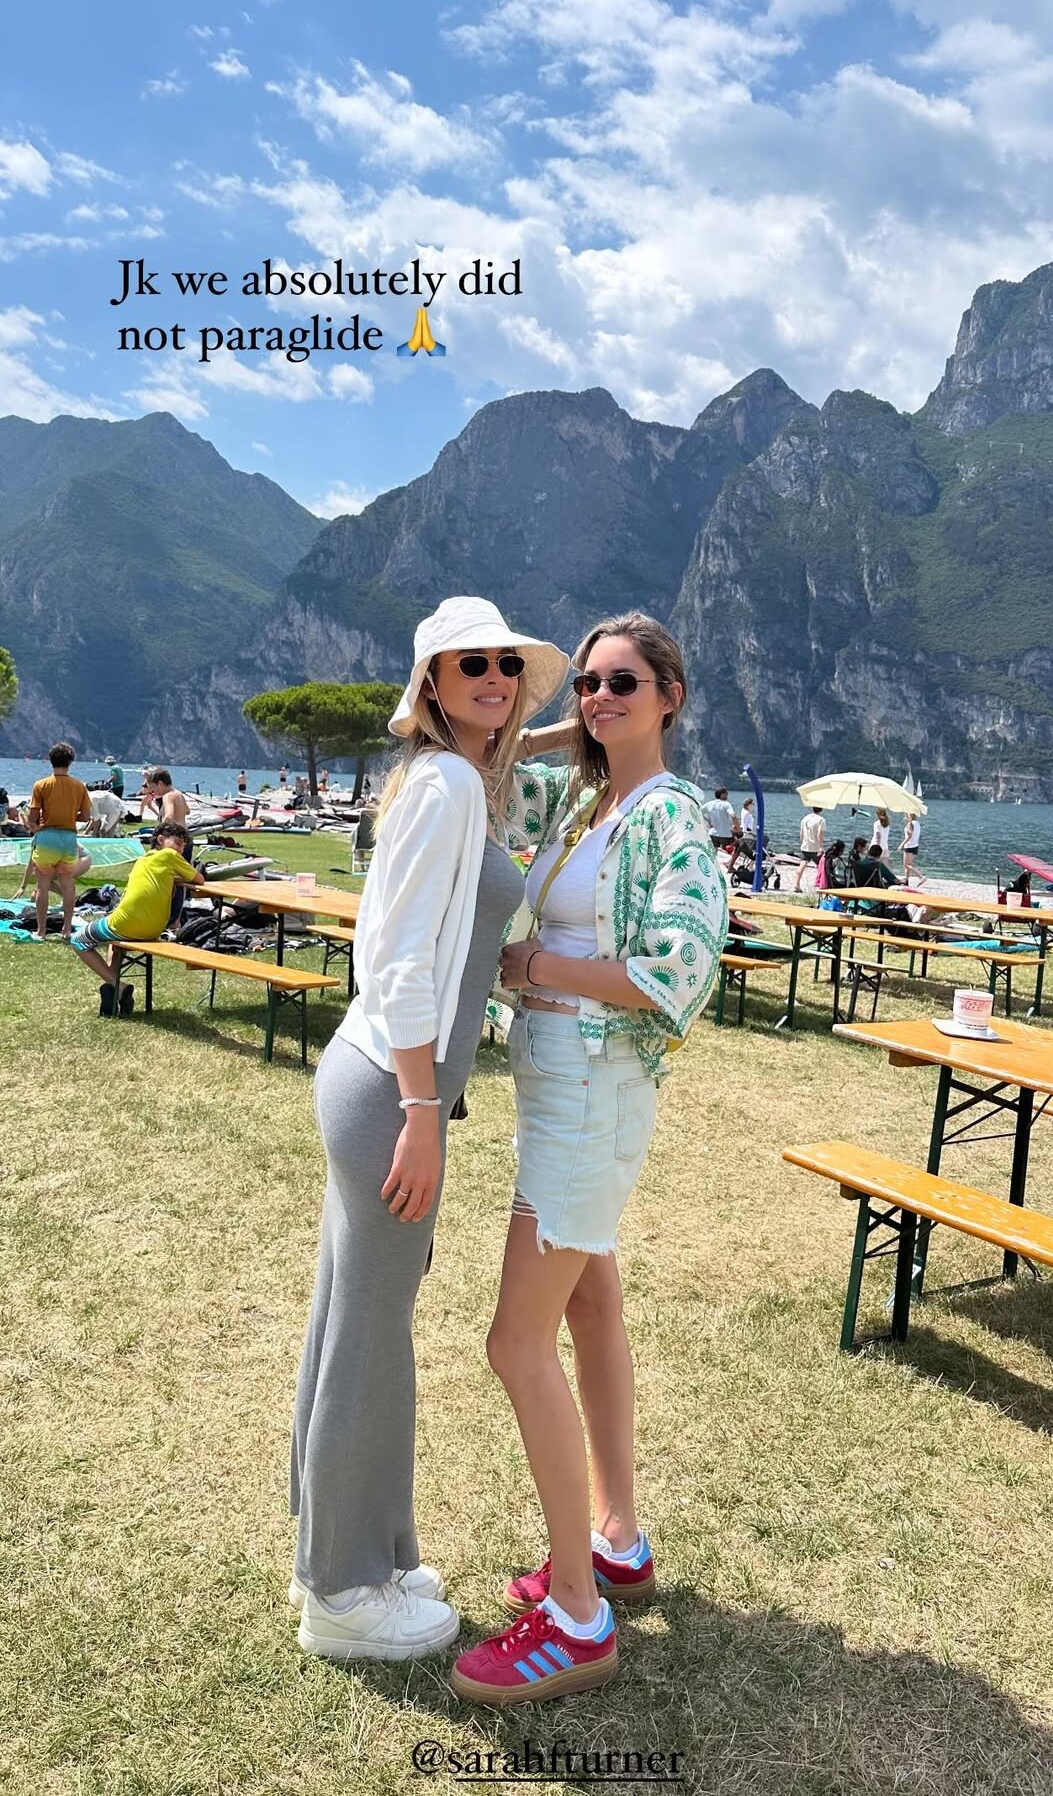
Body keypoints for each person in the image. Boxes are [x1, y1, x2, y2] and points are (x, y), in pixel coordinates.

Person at [450, 614, 727, 1707]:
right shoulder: (583, 801)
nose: (601, 696)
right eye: (590, 683)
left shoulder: (669, 816)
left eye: (625, 683)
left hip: (593, 1094)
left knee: (514, 1340)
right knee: (591, 1305)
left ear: (671, 695)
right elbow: (487, 772)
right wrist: (571, 729)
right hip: (557, 1085)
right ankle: (617, 1540)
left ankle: (576, 1614)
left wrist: (535, 964)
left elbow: (676, 972)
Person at [290, 596, 569, 1667]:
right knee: (369, 1341)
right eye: (471, 664)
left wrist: (569, 728)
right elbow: (400, 961)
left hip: (373, 1079)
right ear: (433, 685)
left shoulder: (449, 775)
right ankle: (341, 1588)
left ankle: (356, 1551)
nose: (495, 676)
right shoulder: (448, 787)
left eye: (506, 663)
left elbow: (507, 751)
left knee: (349, 1322)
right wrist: (421, 1111)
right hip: (389, 1094)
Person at [70, 820, 205, 1015]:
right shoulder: (170, 858)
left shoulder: (145, 860)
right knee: (115, 945)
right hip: (153, 929)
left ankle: (118, 986)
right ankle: (113, 989)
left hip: (125, 924)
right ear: (161, 840)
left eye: (183, 846)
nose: (181, 849)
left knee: (78, 940)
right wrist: (177, 879)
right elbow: (198, 878)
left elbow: (198, 879)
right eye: (178, 843)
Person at [24, 742, 93, 941]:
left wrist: (37, 825)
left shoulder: (41, 785)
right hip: (68, 839)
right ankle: (67, 930)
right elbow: (86, 816)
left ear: (50, 760)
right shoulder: (79, 786)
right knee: (68, 885)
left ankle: (41, 931)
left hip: (47, 838)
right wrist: (70, 816)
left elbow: (32, 818)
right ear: (70, 761)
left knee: (42, 885)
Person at [141, 768, 193, 929]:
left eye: (154, 788)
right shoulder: (179, 794)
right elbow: (187, 811)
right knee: (182, 879)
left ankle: (172, 919)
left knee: (172, 880)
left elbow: (169, 816)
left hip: (174, 842)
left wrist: (160, 832)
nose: (154, 792)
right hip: (186, 839)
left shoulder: (168, 796)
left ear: (160, 783)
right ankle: (176, 919)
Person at [793, 804, 827, 892]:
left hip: (805, 846)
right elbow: (819, 834)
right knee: (822, 866)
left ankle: (796, 884)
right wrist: (821, 846)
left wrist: (802, 842)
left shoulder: (805, 818)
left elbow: (801, 832)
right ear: (821, 809)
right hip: (815, 847)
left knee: (802, 865)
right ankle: (820, 884)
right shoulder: (821, 820)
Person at [704, 786, 736, 851]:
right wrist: (738, 828)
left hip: (712, 833)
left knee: (714, 852)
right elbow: (733, 816)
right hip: (725, 834)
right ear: (722, 794)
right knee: (736, 845)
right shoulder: (726, 804)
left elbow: (699, 811)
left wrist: (708, 821)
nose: (727, 796)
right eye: (726, 794)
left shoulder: (709, 804)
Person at [901, 812, 925, 887]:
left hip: (909, 846)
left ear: (910, 815)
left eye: (906, 815)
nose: (905, 816)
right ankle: (906, 880)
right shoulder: (917, 823)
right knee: (909, 864)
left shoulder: (910, 824)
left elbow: (909, 836)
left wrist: (901, 845)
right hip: (915, 845)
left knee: (906, 865)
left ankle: (921, 877)